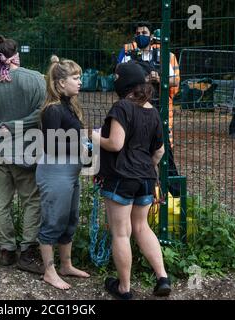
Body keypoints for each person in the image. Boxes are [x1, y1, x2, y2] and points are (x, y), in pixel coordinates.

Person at [92, 62, 170, 300]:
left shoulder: (122, 107)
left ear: (122, 84)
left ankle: (124, 288)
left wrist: (94, 136)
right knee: (141, 226)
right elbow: (159, 152)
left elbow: (115, 144)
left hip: (121, 178)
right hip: (146, 177)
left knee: (121, 232)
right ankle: (162, 278)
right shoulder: (152, 111)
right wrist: (145, 167)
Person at [0, 35, 45, 274]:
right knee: (31, 201)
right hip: (28, 150)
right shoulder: (36, 79)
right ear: (18, 54)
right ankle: (27, 250)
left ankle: (6, 249)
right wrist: (19, 125)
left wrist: (5, 123)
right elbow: (43, 112)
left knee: (2, 202)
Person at [36, 55, 90, 290]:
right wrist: (81, 143)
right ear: (60, 83)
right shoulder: (53, 110)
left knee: (70, 220)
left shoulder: (69, 105)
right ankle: (49, 271)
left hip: (70, 172)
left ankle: (66, 265)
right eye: (76, 78)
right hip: (55, 172)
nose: (80, 81)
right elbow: (51, 145)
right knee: (53, 222)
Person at [118, 23, 180, 196]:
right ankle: (136, 190)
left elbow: (174, 81)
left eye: (144, 32)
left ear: (151, 36)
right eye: (137, 33)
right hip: (134, 108)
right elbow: (119, 77)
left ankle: (175, 195)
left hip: (157, 108)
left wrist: (159, 78)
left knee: (163, 150)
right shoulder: (128, 56)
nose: (140, 35)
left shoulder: (163, 55)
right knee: (134, 147)